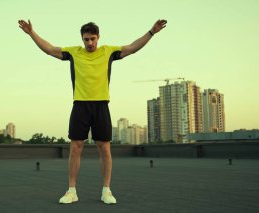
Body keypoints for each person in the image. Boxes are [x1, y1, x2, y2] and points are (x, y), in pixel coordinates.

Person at [19, 19, 167, 204]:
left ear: (98, 38)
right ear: (82, 39)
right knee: (75, 148)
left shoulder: (109, 52)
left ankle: (106, 191)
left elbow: (132, 47)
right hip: (80, 105)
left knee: (104, 148)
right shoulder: (74, 53)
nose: (89, 43)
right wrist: (32, 33)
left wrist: (151, 32)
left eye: (92, 39)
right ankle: (71, 191)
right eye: (86, 39)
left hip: (101, 105)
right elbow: (50, 49)